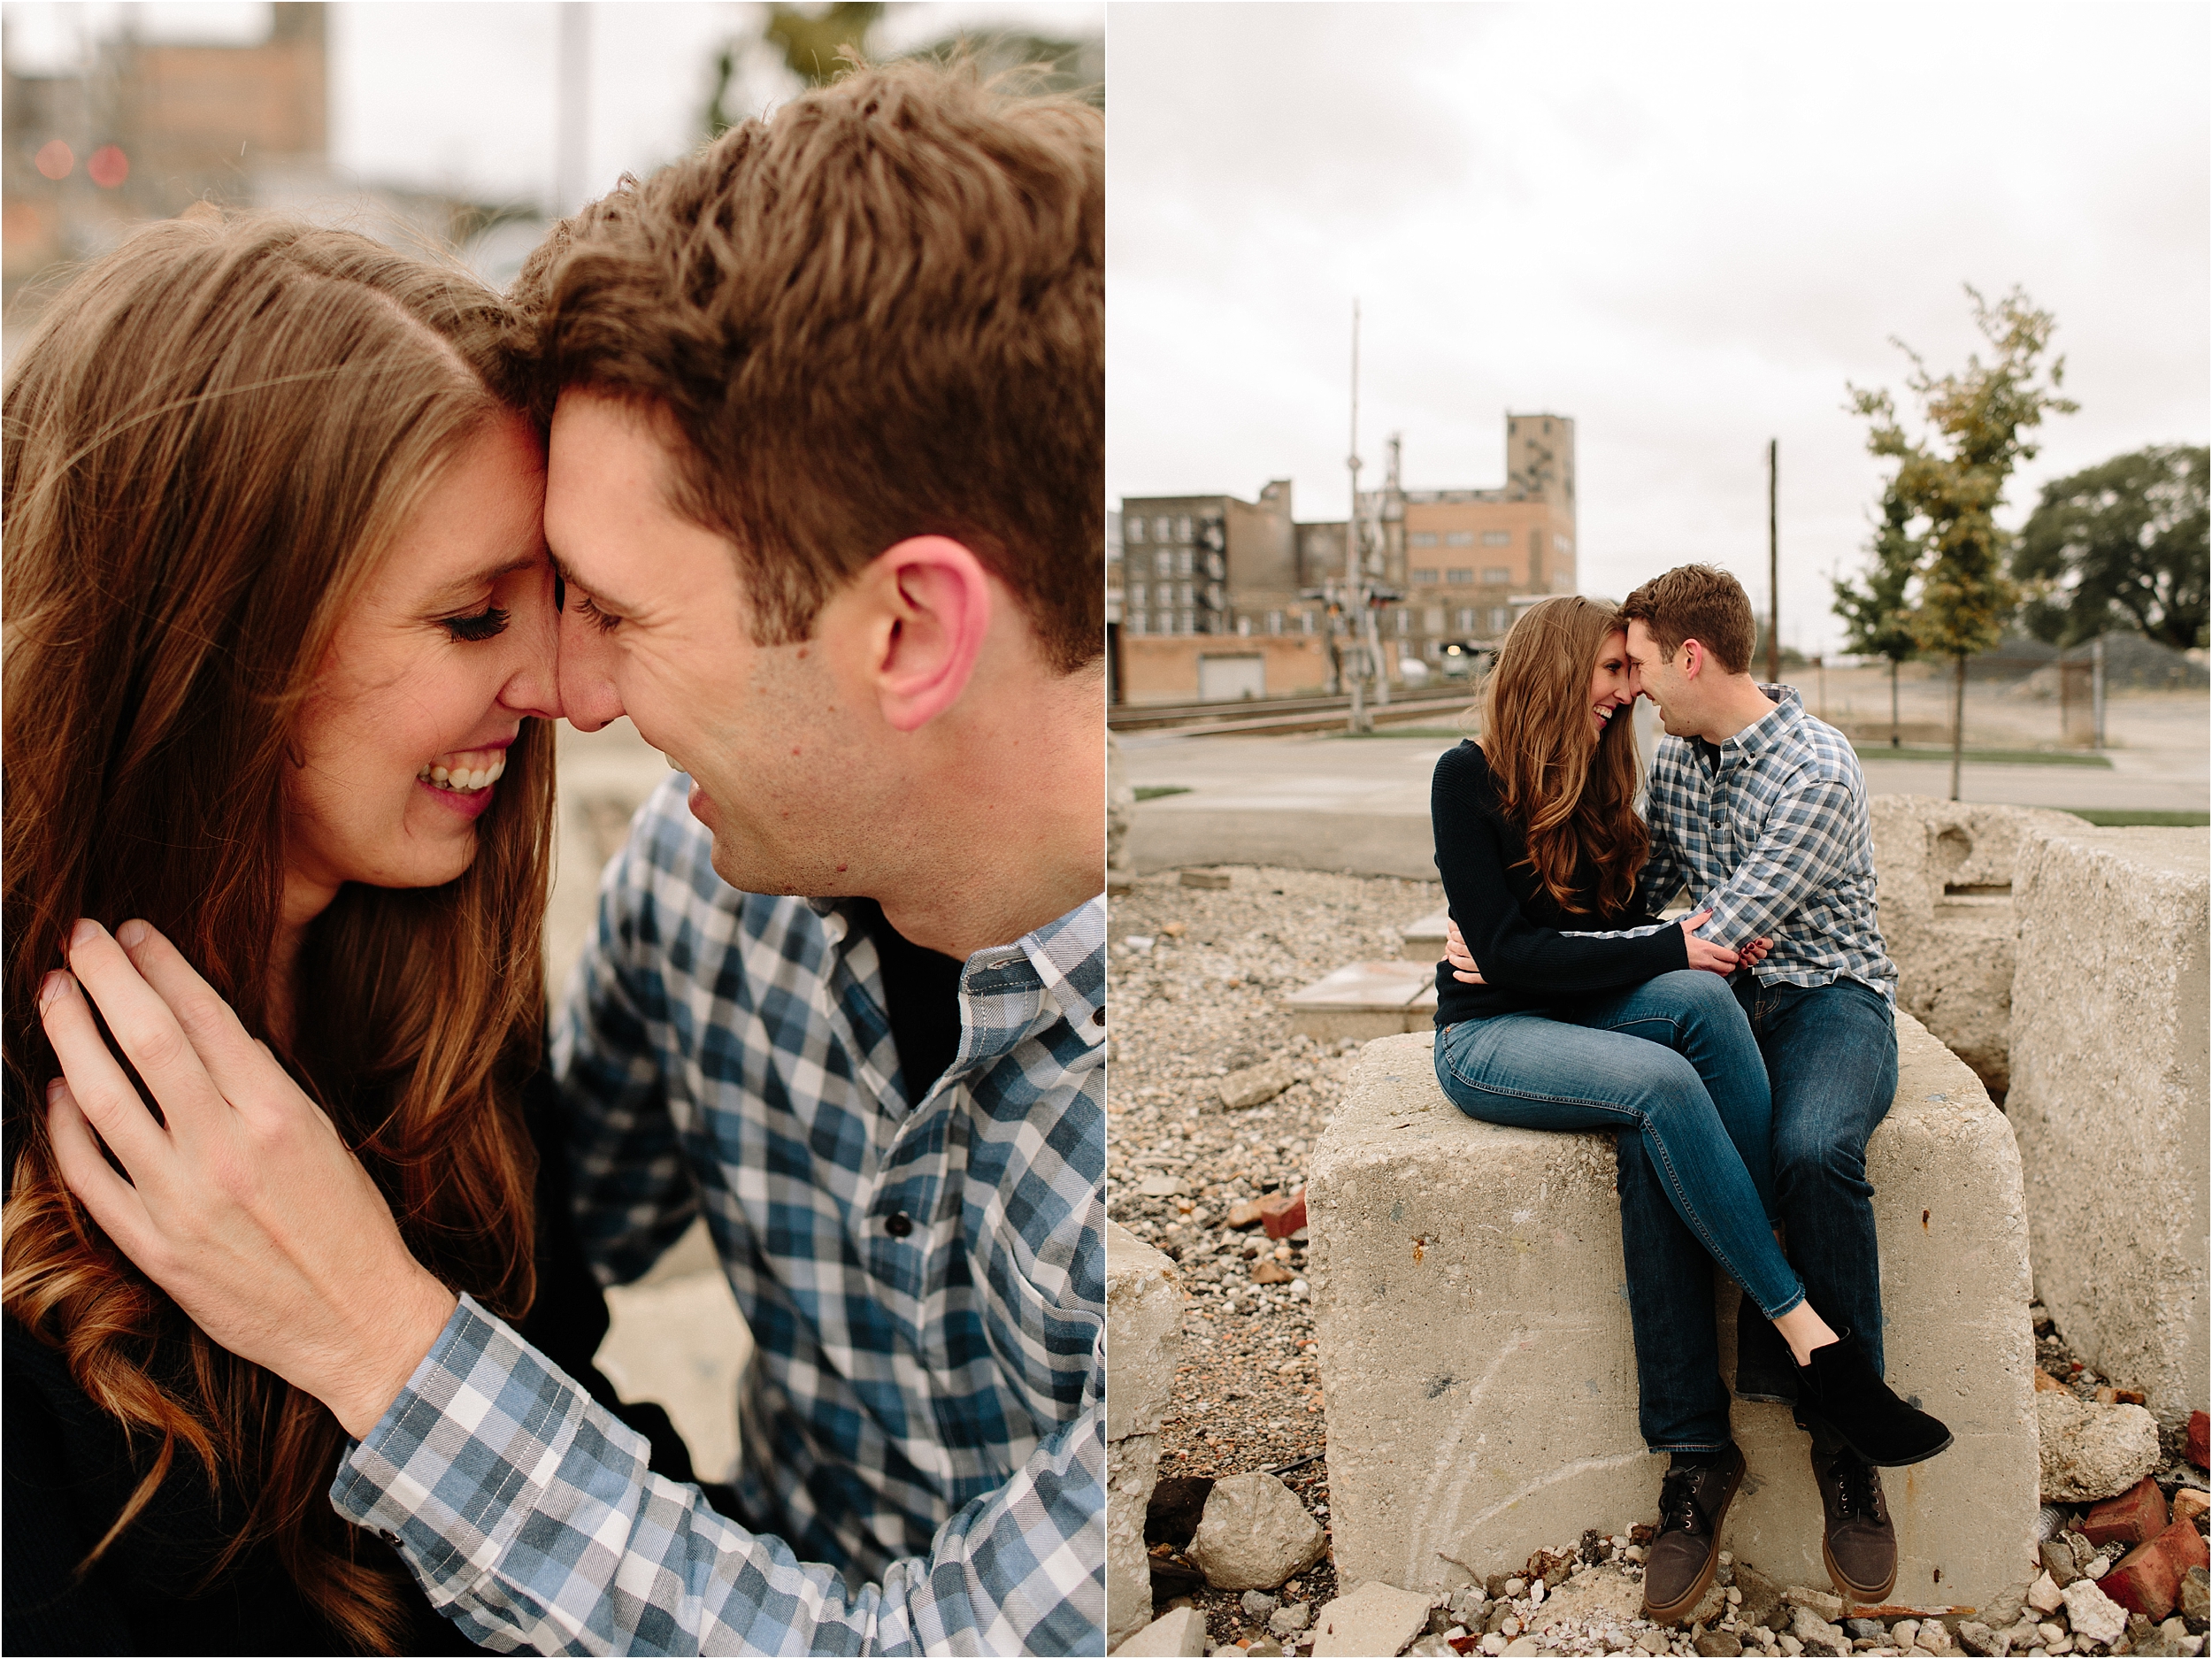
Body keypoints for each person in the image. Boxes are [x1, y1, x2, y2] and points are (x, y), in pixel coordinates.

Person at [40, 59, 1107, 1655]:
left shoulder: (1126, 1147)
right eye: (505, 611)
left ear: (907, 629)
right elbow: (537, 1280)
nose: (569, 695)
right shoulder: (707, 901)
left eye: (611, 610)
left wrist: (380, 1339)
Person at [3, 214, 574, 1653]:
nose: (557, 679)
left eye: (552, 599)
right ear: (218, 633)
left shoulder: (438, 999)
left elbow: (585, 1435)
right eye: (469, 617)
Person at [1428, 595, 1947, 1626]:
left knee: (1768, 1100)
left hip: (1819, 996)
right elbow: (1579, 945)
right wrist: (1618, 950)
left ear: (1686, 658)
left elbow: (1632, 922)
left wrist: (1632, 949)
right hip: (1493, 1030)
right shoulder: (1472, 774)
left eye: (1636, 670)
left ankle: (1828, 1437)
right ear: (1560, 664)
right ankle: (1778, 1370)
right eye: (1612, 670)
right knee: (1662, 1097)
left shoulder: (1752, 768)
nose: (1627, 691)